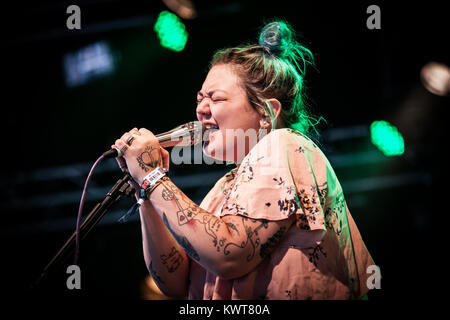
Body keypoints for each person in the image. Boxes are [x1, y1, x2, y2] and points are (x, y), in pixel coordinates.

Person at [113, 20, 375, 300]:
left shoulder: (283, 144)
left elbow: (228, 255)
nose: (200, 109)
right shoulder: (223, 188)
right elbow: (175, 283)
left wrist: (153, 179)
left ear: (266, 112)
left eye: (216, 99)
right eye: (200, 98)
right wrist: (146, 191)